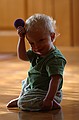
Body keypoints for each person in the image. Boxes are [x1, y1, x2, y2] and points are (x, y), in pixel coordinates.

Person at [7, 13, 66, 111]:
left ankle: (46, 102)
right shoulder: (37, 52)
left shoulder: (55, 58)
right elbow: (22, 56)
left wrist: (49, 99)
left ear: (52, 37)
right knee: (25, 82)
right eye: (31, 43)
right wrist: (21, 38)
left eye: (41, 40)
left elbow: (55, 80)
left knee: (23, 104)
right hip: (35, 87)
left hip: (48, 92)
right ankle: (25, 97)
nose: (37, 46)